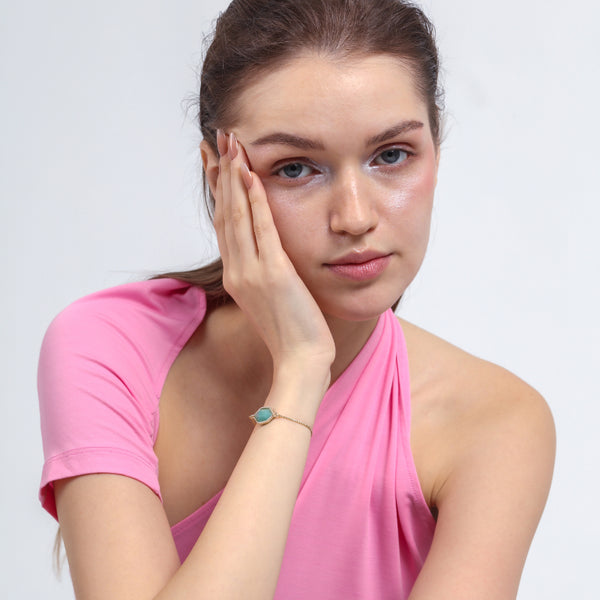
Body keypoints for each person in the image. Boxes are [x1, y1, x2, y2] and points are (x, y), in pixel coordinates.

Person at [37, 0, 556, 598]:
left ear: (435, 152)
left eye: (392, 156)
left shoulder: (495, 423)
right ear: (221, 179)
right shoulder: (107, 348)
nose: (356, 217)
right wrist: (301, 373)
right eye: (296, 169)